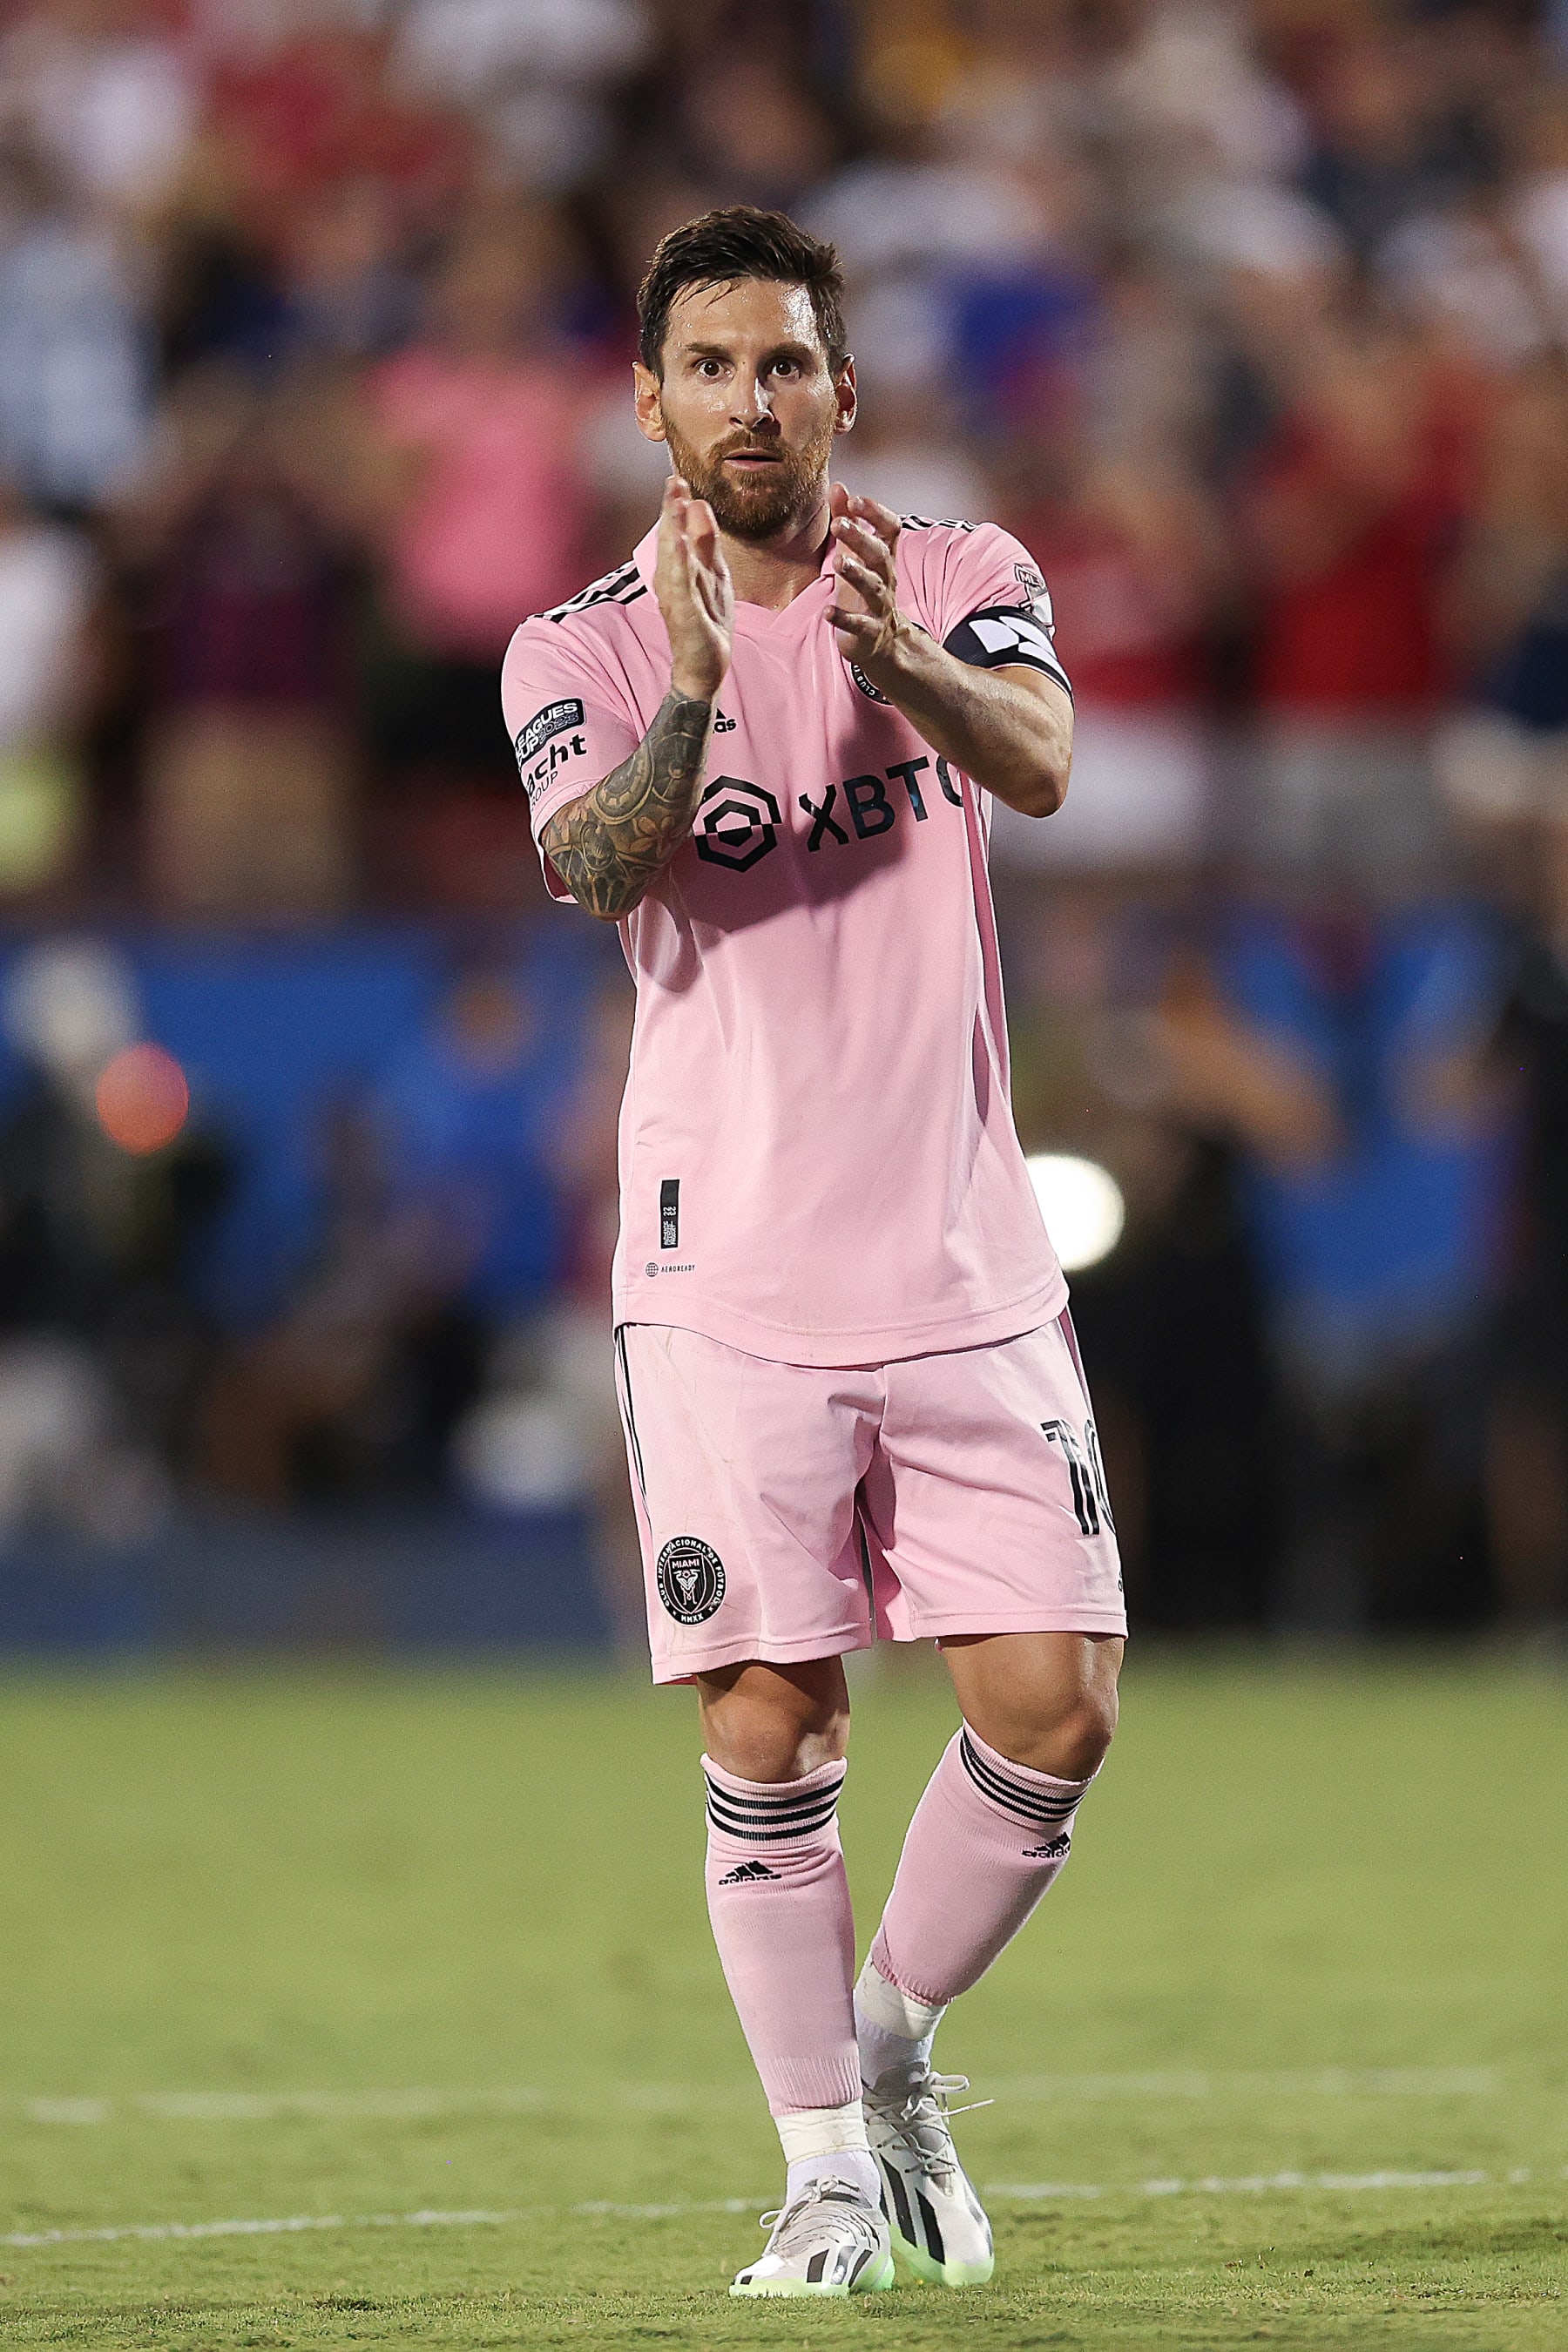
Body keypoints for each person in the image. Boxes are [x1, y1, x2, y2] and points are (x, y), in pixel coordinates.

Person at [499, 207, 1125, 2301]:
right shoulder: (578, 645)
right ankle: (823, 2175)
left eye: (787, 365)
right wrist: (696, 678)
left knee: (1058, 1705)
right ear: (652, 401)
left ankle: (881, 2052)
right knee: (771, 1724)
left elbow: (1039, 764)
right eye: (711, 368)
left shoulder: (962, 573)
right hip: (724, 1273)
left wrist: (901, 667)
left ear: (845, 389)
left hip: (963, 1251)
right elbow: (595, 865)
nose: (752, 402)